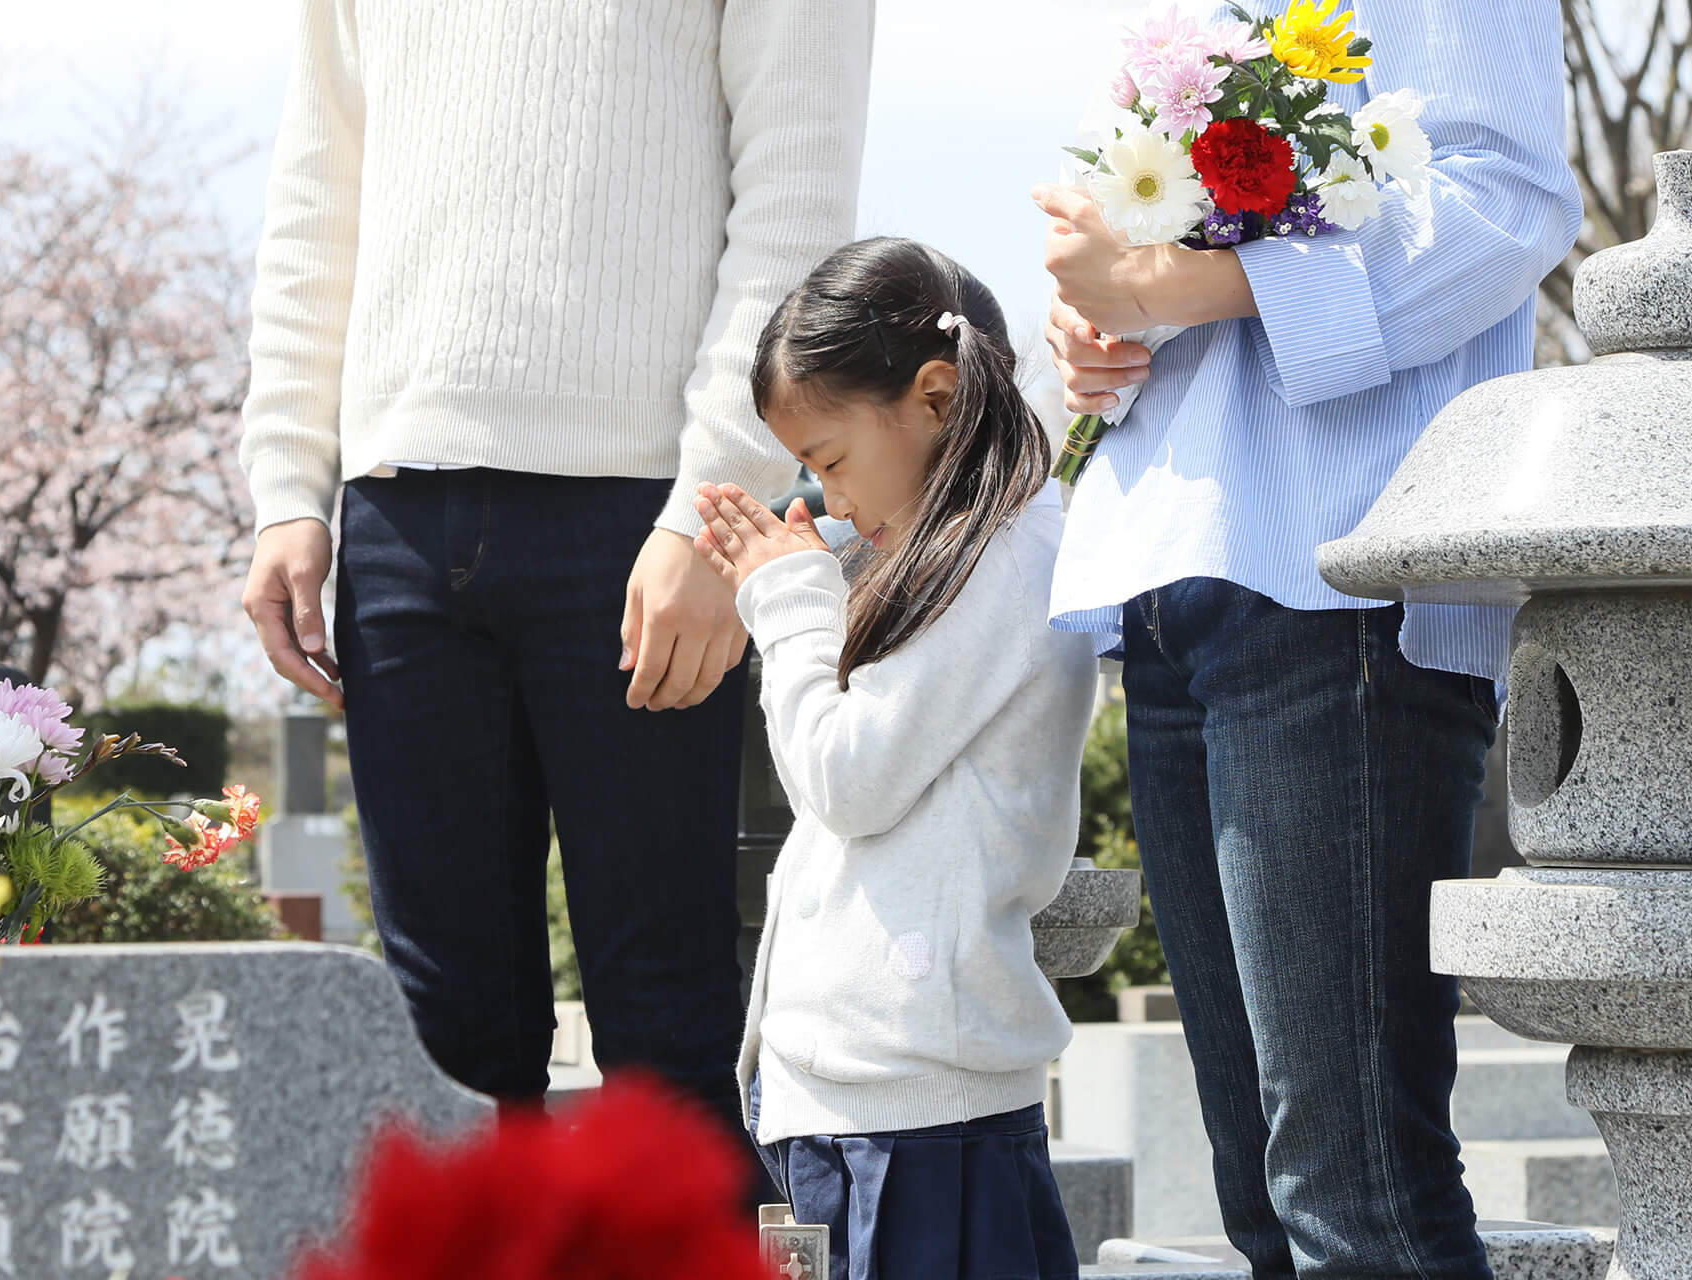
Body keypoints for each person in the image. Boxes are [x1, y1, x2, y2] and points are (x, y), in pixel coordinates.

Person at [231, 0, 874, 1139]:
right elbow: (316, 196)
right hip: (394, 504)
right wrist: (288, 481)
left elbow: (795, 212)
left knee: (664, 1012)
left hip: (646, 517)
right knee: (440, 1027)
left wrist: (709, 510)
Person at [1030, 3, 1580, 1275]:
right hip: (1175, 551)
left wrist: (1198, 282)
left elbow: (1503, 198)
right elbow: (1131, 223)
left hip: (1338, 559)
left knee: (1352, 1189)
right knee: (1263, 1193)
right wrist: (1100, 325)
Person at [693, 238, 1095, 1280]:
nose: (824, 495)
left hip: (918, 1103)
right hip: (863, 1091)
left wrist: (787, 605)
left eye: (828, 458)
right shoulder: (955, 549)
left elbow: (847, 775)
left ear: (931, 395)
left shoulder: (1005, 551)